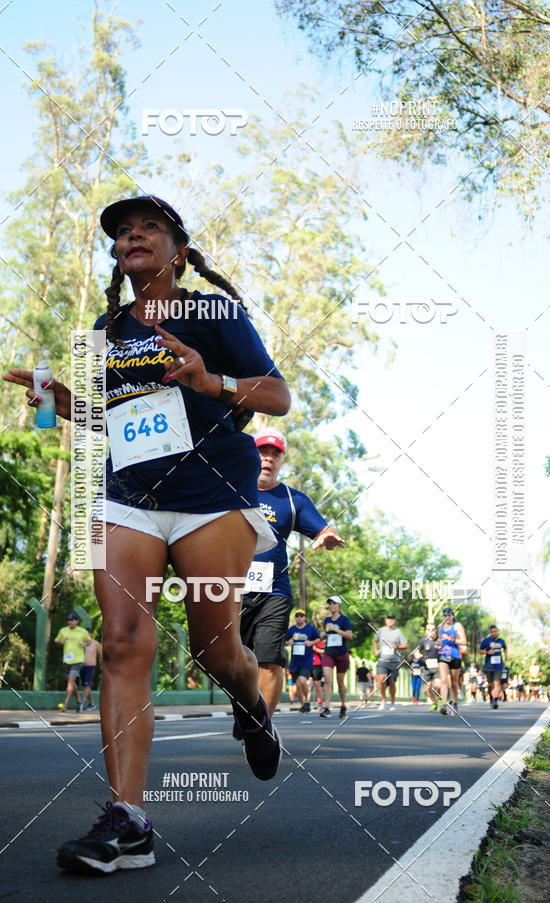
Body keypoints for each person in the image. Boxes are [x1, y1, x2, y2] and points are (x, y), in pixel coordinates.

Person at [5, 195, 291, 873]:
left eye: (149, 227)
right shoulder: (104, 329)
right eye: (123, 231)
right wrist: (64, 405)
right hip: (127, 494)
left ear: (178, 251)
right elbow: (110, 417)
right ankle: (128, 821)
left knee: (215, 650)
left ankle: (250, 703)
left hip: (211, 497)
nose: (132, 235)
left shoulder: (214, 314)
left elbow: (277, 397)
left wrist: (211, 380)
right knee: (123, 642)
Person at [239, 429, 345, 724]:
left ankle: (260, 729)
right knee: (231, 661)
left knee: (269, 660)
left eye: (275, 454)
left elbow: (323, 528)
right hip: (230, 589)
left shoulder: (291, 498)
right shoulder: (230, 488)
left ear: (282, 461)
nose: (268, 458)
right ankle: (245, 711)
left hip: (274, 591)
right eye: (262, 451)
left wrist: (328, 535)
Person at [320, 596, 353, 718]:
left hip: (341, 653)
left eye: (334, 603)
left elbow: (349, 635)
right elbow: (325, 635)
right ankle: (326, 707)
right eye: (330, 604)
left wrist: (335, 629)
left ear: (339, 606)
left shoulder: (344, 620)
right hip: (329, 652)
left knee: (340, 681)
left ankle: (343, 705)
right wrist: (323, 635)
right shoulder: (326, 620)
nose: (331, 606)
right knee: (327, 678)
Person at [54, 614, 93, 713]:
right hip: (67, 660)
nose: (70, 622)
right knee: (71, 683)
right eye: (69, 620)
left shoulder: (82, 631)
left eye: (72, 620)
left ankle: (65, 705)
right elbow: (57, 641)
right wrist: (60, 642)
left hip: (78, 660)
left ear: (77, 621)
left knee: (70, 681)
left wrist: (84, 644)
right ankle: (79, 701)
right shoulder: (63, 630)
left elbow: (89, 641)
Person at [285, 610, 319, 713]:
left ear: (304, 618)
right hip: (295, 662)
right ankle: (303, 705)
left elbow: (318, 639)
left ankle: (307, 701)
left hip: (306, 661)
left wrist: (311, 642)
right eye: (297, 616)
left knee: (302, 681)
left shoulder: (310, 628)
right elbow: (284, 641)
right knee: (298, 685)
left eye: (301, 616)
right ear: (295, 618)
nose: (299, 618)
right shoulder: (292, 629)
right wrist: (288, 642)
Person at [373, 613, 408, 711]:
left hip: (394, 661)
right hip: (382, 660)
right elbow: (375, 641)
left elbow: (405, 645)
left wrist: (397, 646)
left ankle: (392, 702)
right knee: (381, 680)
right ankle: (383, 701)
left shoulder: (398, 632)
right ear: (386, 620)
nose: (390, 620)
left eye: (392, 619)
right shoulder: (381, 631)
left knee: (392, 683)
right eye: (388, 618)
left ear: (394, 621)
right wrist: (375, 650)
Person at [436, 607, 467, 715]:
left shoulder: (457, 626)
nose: (447, 618)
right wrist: (438, 642)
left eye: (449, 615)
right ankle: (444, 704)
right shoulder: (440, 626)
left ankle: (454, 704)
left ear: (452, 616)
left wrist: (451, 639)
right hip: (443, 654)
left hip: (455, 655)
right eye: (445, 616)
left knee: (454, 682)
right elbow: (439, 640)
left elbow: (464, 641)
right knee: (444, 680)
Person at [479, 625, 508, 710]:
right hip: (489, 666)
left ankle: (495, 700)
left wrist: (506, 657)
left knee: (497, 683)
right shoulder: (486, 640)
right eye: (492, 632)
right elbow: (480, 650)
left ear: (497, 632)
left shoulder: (501, 641)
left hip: (498, 666)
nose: (494, 633)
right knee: (490, 684)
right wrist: (487, 652)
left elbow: (505, 648)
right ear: (490, 632)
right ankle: (491, 698)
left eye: (495, 631)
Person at [417, 622, 441, 711]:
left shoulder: (439, 640)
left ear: (435, 630)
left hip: (438, 666)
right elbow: (417, 651)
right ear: (426, 631)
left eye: (433, 629)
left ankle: (440, 699)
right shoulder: (423, 640)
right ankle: (434, 703)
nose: (431, 631)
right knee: (428, 687)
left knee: (438, 685)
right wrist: (418, 655)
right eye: (429, 630)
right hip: (426, 667)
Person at [81, 636, 103, 711]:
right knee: (86, 686)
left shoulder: (95, 643)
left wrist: (101, 665)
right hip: (81, 666)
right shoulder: (81, 642)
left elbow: (101, 654)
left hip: (91, 666)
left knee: (87, 685)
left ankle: (81, 703)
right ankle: (92, 704)